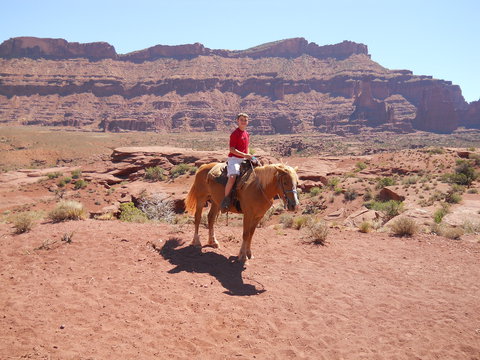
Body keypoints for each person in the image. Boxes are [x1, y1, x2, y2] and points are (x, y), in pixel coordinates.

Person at [221, 113, 253, 212]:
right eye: (242, 120)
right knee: (232, 177)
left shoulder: (246, 134)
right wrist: (245, 155)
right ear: (237, 121)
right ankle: (226, 199)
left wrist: (248, 156)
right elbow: (232, 149)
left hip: (244, 159)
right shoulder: (235, 134)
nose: (243, 122)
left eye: (245, 120)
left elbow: (246, 147)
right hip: (234, 159)